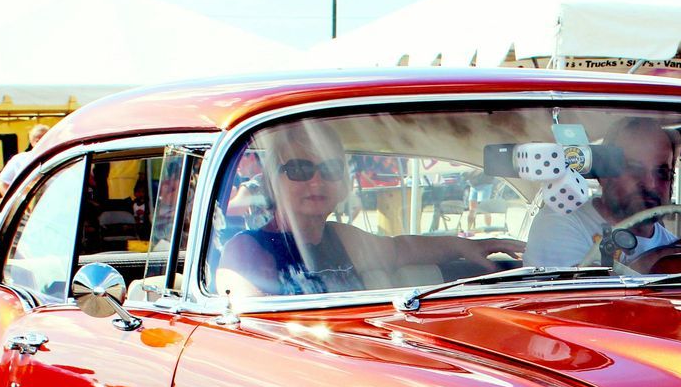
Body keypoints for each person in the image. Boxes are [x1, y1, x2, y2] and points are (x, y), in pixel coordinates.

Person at [215, 117, 522, 297]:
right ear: (271, 181)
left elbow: (401, 249)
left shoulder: (342, 238)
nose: (316, 181)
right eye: (298, 169)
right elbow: (253, 334)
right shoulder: (247, 251)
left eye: (331, 169)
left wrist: (464, 246)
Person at [525, 117, 681, 271]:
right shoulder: (559, 224)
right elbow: (583, 308)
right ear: (605, 173)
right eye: (634, 169)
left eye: (663, 173)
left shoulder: (672, 244)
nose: (650, 184)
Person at [0, 123, 49, 192]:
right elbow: (3, 181)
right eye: (39, 141)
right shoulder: (19, 159)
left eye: (46, 139)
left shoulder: (58, 157)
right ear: (33, 142)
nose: (43, 143)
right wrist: (15, 201)